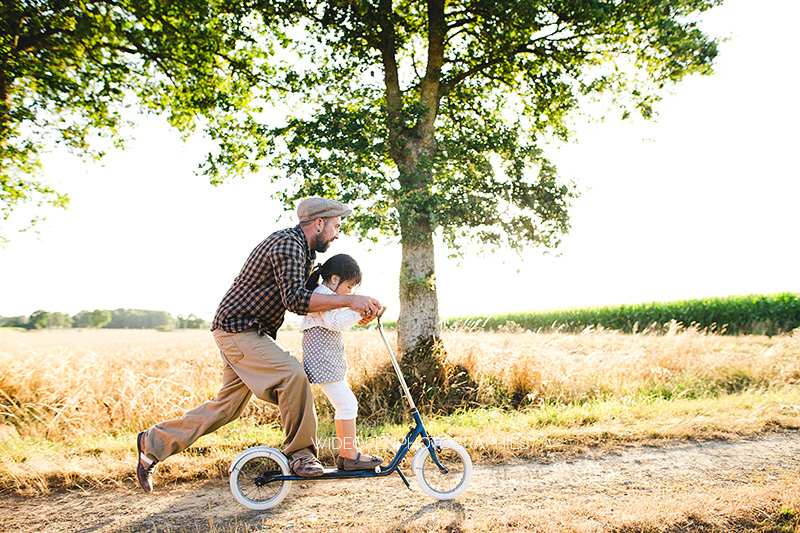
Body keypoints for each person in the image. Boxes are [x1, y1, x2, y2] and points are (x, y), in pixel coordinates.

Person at [135, 197, 381, 492]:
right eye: (335, 226)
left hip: (245, 331)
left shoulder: (302, 252)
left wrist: (352, 311)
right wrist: (352, 300)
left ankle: (152, 443)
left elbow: (314, 300)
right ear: (319, 224)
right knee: (292, 374)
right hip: (240, 329)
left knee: (226, 408)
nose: (337, 234)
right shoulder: (287, 245)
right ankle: (300, 453)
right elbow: (296, 301)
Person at [300, 254, 383, 471]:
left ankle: (348, 454)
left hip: (327, 359)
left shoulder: (326, 294)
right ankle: (349, 455)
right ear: (335, 279)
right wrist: (357, 312)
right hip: (322, 360)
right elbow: (334, 322)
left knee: (344, 405)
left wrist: (359, 316)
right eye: (348, 287)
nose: (349, 293)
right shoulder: (322, 293)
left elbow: (337, 323)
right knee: (347, 404)